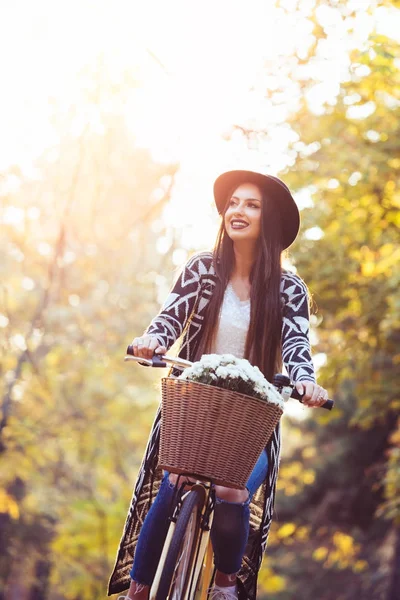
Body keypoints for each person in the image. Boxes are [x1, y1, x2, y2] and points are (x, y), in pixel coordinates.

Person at [108, 170, 329, 600]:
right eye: (232, 203)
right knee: (173, 479)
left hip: (251, 418)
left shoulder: (289, 290)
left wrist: (306, 382)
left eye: (251, 205)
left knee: (232, 487)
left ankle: (224, 585)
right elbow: (169, 319)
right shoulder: (201, 268)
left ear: (270, 221)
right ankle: (138, 591)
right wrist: (152, 341)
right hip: (194, 404)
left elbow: (297, 346)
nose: (237, 211)